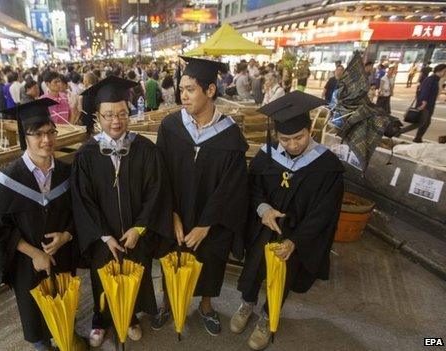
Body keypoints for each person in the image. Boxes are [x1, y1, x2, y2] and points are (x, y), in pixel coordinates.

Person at [231, 91, 344, 351]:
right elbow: (251, 187)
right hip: (264, 227)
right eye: (285, 138)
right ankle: (247, 303)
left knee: (282, 277)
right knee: (253, 268)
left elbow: (323, 213)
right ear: (276, 135)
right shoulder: (267, 154)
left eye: (299, 137)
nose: (292, 145)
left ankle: (268, 316)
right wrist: (263, 209)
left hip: (297, 234)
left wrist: (296, 240)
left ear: (310, 129)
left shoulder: (327, 166)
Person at [72, 76, 171, 347]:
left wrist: (139, 229)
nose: (116, 121)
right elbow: (83, 200)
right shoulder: (87, 155)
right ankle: (100, 320)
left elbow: (156, 192)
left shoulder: (145, 149)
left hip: (134, 234)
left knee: (133, 275)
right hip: (103, 237)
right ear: (97, 117)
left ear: (129, 113)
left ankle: (129, 319)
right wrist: (104, 236)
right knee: (102, 278)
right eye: (108, 115)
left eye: (122, 114)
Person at [153, 56, 249, 336]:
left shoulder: (229, 135)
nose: (183, 95)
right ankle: (168, 303)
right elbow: (160, 175)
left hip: (212, 218)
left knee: (210, 259)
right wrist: (170, 213)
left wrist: (206, 225)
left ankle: (206, 306)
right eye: (181, 88)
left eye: (190, 89)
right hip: (176, 213)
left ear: (210, 91)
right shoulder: (170, 127)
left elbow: (232, 187)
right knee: (172, 257)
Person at [0, 98, 80, 351]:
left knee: (63, 306)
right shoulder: (7, 181)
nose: (46, 140)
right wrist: (35, 253)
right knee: (35, 315)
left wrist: (67, 236)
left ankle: (67, 338)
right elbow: (0, 230)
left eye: (51, 132)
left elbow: (79, 212)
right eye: (37, 134)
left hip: (61, 257)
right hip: (26, 264)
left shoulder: (66, 173)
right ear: (24, 136)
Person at [398, 64, 446, 143]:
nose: (445, 73)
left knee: (424, 123)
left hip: (429, 105)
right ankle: (400, 132)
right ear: (440, 71)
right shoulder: (431, 79)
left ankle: (417, 138)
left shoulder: (436, 80)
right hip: (425, 106)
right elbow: (424, 92)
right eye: (445, 71)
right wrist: (423, 103)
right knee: (421, 123)